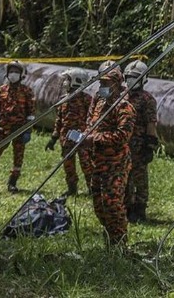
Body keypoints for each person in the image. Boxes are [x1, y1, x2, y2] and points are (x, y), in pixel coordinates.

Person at [86, 66, 136, 245]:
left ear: (116, 84)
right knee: (99, 205)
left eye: (105, 83)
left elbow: (122, 136)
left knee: (112, 205)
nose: (102, 86)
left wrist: (95, 139)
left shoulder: (124, 107)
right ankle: (110, 238)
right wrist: (81, 138)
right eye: (100, 82)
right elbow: (90, 126)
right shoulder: (100, 104)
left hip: (115, 164)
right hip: (97, 163)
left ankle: (120, 244)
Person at [0, 61, 36, 195]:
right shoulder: (1, 90)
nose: (13, 74)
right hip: (3, 130)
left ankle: (12, 183)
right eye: (11, 72)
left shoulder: (27, 91)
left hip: (20, 130)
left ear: (21, 75)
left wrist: (28, 131)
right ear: (7, 74)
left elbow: (31, 114)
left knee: (18, 157)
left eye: (16, 72)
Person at [47, 68, 93, 196]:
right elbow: (59, 120)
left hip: (82, 138)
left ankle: (92, 188)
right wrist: (54, 137)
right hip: (66, 138)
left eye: (67, 79)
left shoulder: (87, 99)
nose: (65, 83)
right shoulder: (63, 99)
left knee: (86, 164)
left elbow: (92, 119)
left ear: (76, 81)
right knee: (68, 165)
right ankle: (72, 188)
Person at [123, 60, 159, 223]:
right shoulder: (122, 97)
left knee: (140, 178)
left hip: (138, 146)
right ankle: (128, 206)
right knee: (125, 177)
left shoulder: (147, 99)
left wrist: (149, 146)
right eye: (129, 77)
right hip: (123, 145)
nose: (131, 81)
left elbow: (151, 123)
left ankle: (140, 208)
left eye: (135, 78)